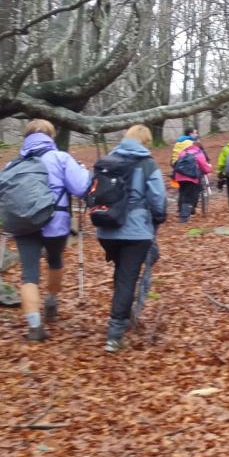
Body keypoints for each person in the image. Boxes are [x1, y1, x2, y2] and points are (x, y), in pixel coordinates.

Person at [0, 120, 90, 342]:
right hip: (55, 223)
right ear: (51, 136)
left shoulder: (13, 164)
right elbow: (81, 188)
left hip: (22, 224)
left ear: (26, 137)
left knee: (29, 274)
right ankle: (51, 299)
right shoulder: (61, 158)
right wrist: (81, 170)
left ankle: (34, 327)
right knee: (54, 261)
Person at [94, 124, 166, 352]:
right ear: (145, 142)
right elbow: (158, 198)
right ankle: (115, 335)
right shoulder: (147, 163)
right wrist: (157, 218)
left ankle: (123, 319)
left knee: (122, 273)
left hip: (107, 229)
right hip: (135, 231)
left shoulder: (107, 161)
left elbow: (92, 191)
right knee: (127, 278)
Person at [172, 139, 212, 222]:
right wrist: (209, 168)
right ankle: (184, 217)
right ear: (200, 147)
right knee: (189, 196)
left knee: (183, 193)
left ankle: (182, 211)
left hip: (179, 176)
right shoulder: (199, 153)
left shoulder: (183, 152)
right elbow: (204, 167)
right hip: (191, 177)